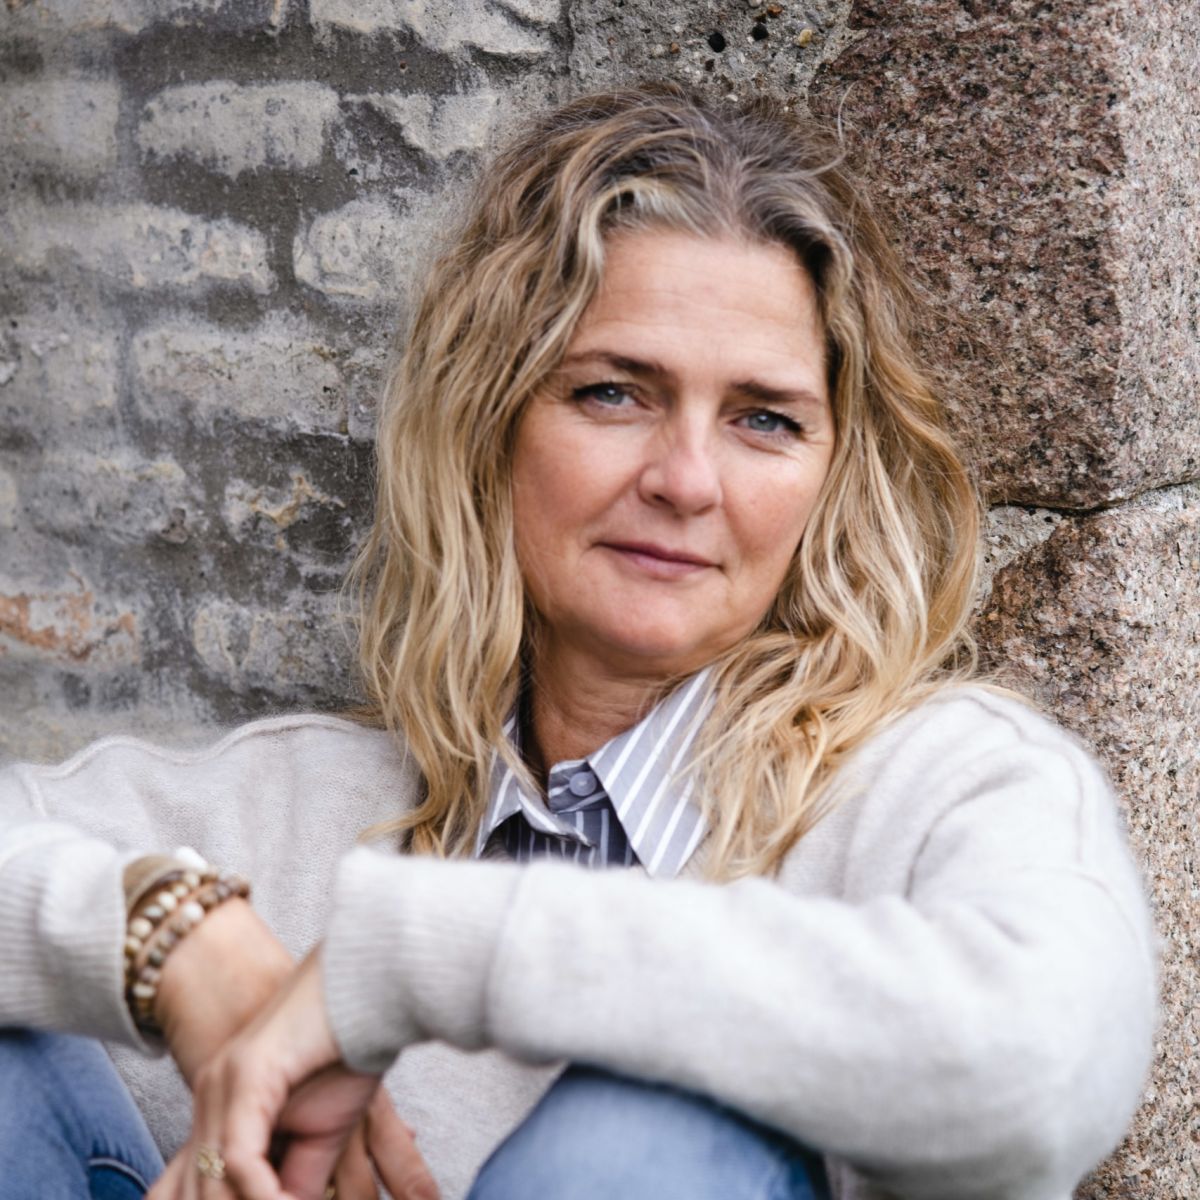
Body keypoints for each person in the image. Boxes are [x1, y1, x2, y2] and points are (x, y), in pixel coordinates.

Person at [0, 84, 1155, 1200]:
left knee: (652, 1129)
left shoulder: (941, 789)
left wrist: (424, 961)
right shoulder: (285, 817)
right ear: (489, 419)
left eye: (764, 419)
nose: (686, 481)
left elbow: (1044, 1073)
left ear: (833, 476)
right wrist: (166, 938)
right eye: (613, 393)